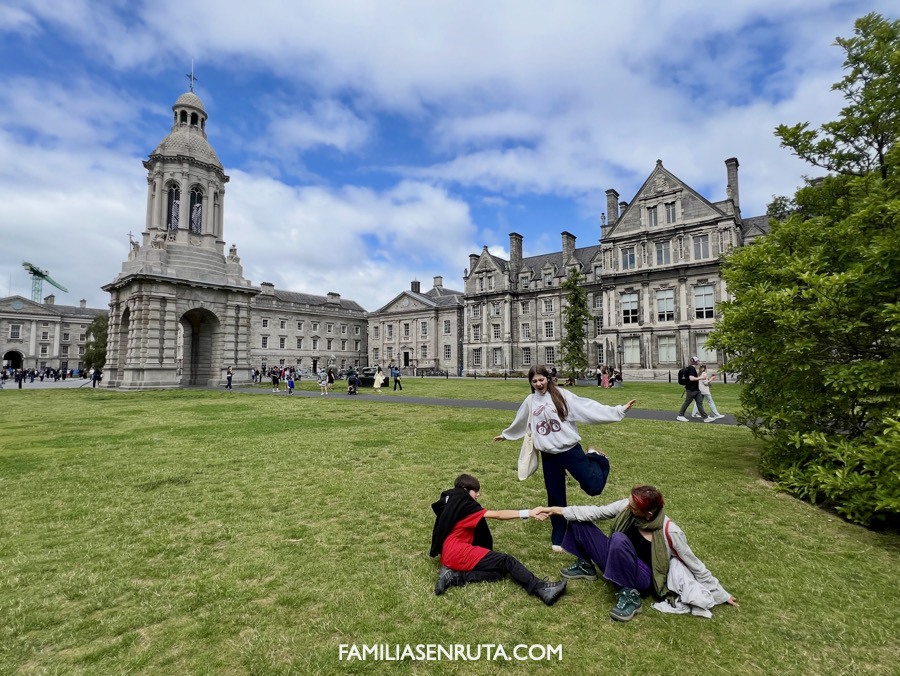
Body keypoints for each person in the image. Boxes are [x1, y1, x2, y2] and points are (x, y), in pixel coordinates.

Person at [533, 485, 737, 621]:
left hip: (643, 578)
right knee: (578, 519)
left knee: (618, 539)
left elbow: (695, 564)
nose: (627, 507)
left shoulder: (669, 531)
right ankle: (587, 566)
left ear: (648, 514)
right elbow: (596, 511)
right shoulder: (627, 507)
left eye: (632, 506)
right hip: (617, 558)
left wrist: (721, 594)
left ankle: (630, 596)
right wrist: (555, 509)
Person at [494, 364, 637, 551]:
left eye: (541, 379)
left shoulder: (562, 395)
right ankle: (559, 535)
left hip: (570, 451)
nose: (538, 384)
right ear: (530, 383)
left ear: (548, 379)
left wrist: (618, 410)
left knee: (593, 488)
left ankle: (597, 457)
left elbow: (588, 408)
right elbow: (520, 422)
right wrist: (506, 435)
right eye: (534, 381)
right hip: (549, 457)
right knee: (555, 497)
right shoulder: (530, 401)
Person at [430, 473, 567, 606]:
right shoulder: (466, 506)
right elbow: (499, 515)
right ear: (466, 490)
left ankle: (454, 576)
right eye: (476, 491)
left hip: (448, 553)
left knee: (498, 573)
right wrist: (529, 512)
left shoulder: (453, 503)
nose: (478, 494)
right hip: (458, 553)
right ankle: (541, 588)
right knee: (506, 561)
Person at [676, 357, 715, 422]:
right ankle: (680, 415)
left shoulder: (691, 368)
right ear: (696, 362)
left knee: (699, 403)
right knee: (687, 402)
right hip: (691, 389)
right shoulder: (691, 368)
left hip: (696, 389)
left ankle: (705, 417)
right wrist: (701, 378)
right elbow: (691, 378)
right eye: (697, 361)